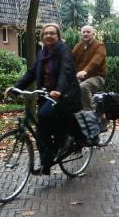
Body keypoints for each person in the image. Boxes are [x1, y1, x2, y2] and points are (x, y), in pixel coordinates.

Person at [9, 23, 82, 175]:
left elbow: (66, 70)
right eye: (45, 33)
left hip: (65, 94)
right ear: (42, 37)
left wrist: (59, 90)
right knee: (41, 128)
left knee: (44, 117)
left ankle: (65, 140)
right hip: (46, 94)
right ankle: (46, 163)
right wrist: (17, 87)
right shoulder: (42, 52)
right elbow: (32, 72)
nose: (48, 36)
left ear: (58, 36)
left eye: (52, 33)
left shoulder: (64, 50)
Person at [71, 25, 107, 111]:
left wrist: (85, 71)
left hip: (97, 77)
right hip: (81, 77)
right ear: (81, 34)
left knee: (83, 87)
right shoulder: (78, 46)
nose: (85, 34)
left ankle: (90, 114)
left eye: (88, 32)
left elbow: (96, 60)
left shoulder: (99, 45)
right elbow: (70, 59)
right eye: (83, 32)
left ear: (93, 34)